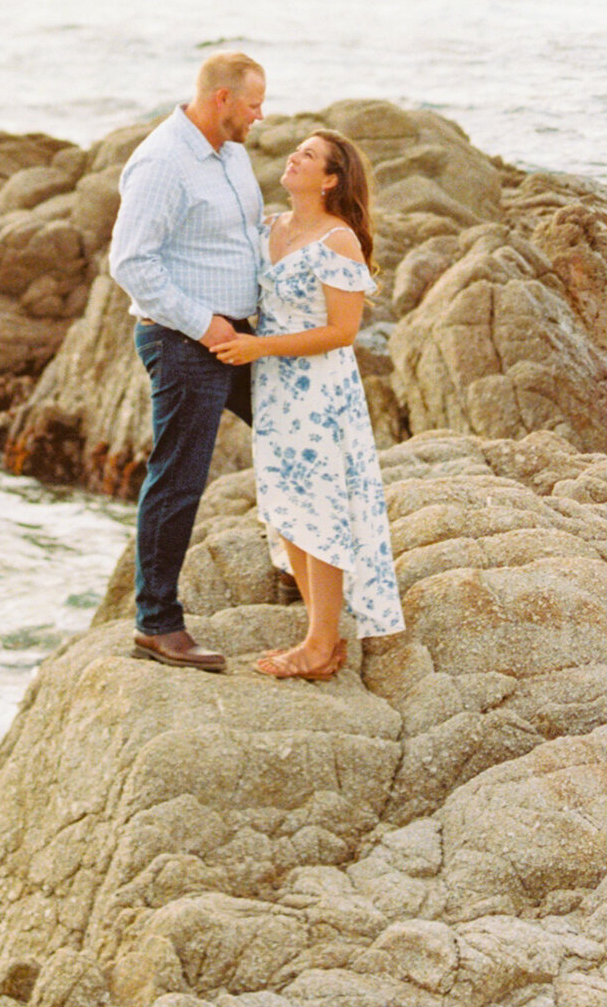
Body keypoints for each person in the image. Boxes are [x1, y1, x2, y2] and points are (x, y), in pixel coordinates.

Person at [212, 126, 406, 679]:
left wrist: (258, 347)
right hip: (274, 391)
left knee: (321, 510)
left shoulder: (337, 240)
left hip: (321, 393)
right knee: (290, 511)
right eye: (297, 149)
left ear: (330, 180)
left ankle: (321, 646)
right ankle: (320, 637)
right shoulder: (269, 228)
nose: (295, 157)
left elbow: (343, 332)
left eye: (309, 155)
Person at [108, 51, 269, 671]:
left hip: (243, 338)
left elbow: (240, 236)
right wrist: (207, 326)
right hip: (185, 343)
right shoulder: (163, 161)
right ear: (222, 98)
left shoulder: (233, 153)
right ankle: (156, 624)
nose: (262, 114)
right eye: (254, 102)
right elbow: (131, 263)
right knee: (179, 478)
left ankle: (299, 568)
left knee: (294, 437)